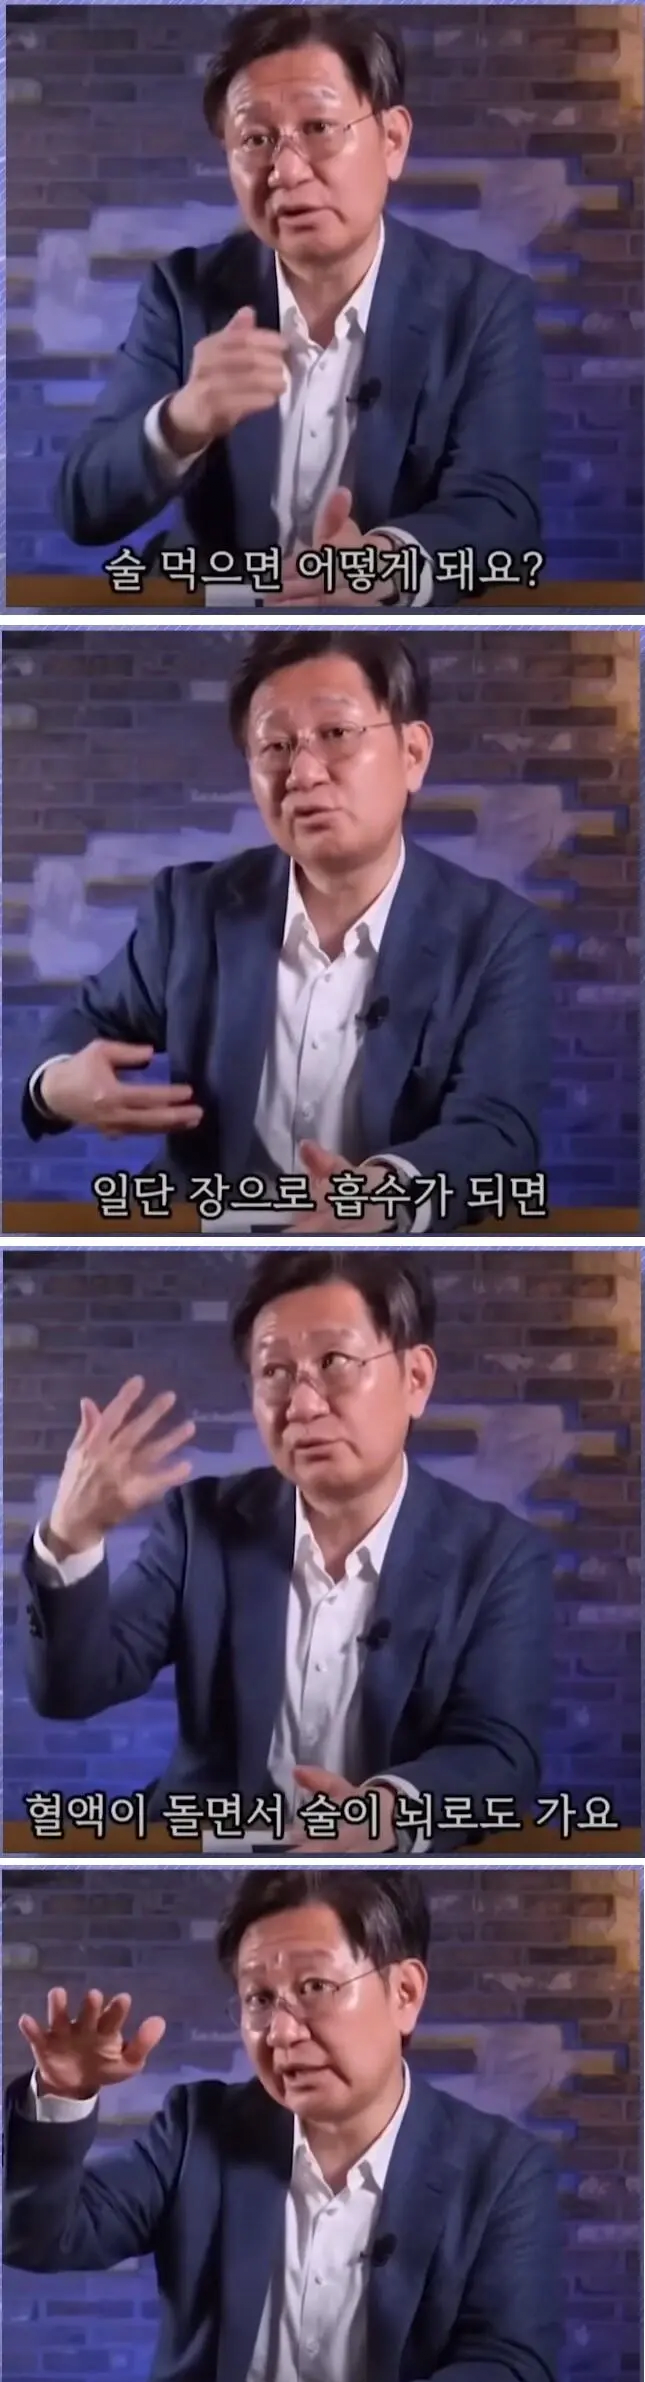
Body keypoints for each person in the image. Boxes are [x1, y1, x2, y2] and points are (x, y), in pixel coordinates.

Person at [2, 1863, 562, 2382]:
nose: (282, 2032)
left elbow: (513, 2374)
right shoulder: (199, 2130)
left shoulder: (504, 2171)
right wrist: (63, 2093)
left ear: (405, 1993)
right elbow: (38, 2237)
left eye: (315, 1988)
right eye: (259, 1999)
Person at [23, 631, 549, 1210]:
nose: (302, 773)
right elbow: (84, 1024)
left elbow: (498, 1132)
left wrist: (381, 1194)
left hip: (382, 1241)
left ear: (413, 754)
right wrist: (55, 1085)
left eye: (337, 734)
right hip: (208, 1232)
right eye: (275, 746)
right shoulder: (194, 908)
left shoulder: (496, 934)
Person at [19, 1252, 550, 1821]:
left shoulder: (499, 1556)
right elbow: (73, 1689)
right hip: (208, 1844)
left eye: (335, 1361)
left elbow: (498, 1754)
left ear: (415, 1378)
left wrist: (384, 1814)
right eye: (274, 1372)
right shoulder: (202, 1523)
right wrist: (71, 1537)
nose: (302, 1405)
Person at [58, 5, 542, 584]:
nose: (286, 171)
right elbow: (83, 506)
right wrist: (183, 420)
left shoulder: (484, 305)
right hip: (219, 610)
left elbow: (501, 512)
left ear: (391, 141)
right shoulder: (185, 292)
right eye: (256, 139)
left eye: (318, 128)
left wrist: (383, 568)